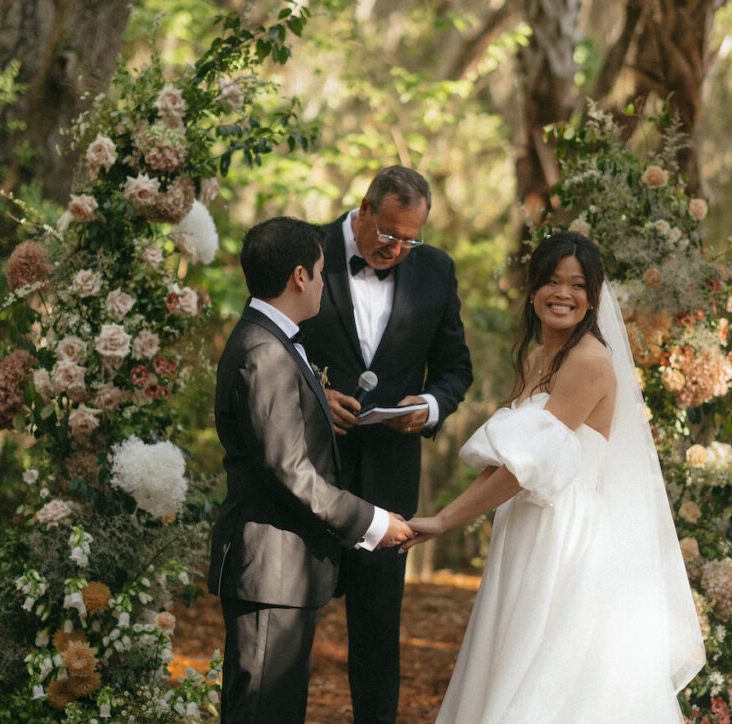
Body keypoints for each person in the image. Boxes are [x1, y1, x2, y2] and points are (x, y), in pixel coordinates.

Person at [401, 232, 705, 722]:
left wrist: (445, 521)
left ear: (592, 298)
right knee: (510, 659)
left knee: (549, 676)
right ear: (533, 289)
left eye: (577, 285)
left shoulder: (587, 361)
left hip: (565, 537)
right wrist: (445, 515)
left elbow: (527, 470)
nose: (563, 294)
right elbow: (511, 462)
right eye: (552, 281)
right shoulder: (536, 355)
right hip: (527, 527)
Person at [207, 217, 413, 724]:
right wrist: (372, 522)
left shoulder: (270, 341)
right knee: (262, 713)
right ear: (300, 276)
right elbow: (290, 470)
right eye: (322, 272)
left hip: (283, 570)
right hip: (270, 567)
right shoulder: (265, 352)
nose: (324, 282)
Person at [300, 166, 473, 722]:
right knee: (289, 627)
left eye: (410, 238)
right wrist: (314, 392)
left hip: (388, 484)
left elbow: (454, 370)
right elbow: (268, 341)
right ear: (365, 208)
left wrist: (429, 408)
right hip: (307, 475)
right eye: (388, 233)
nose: (397, 248)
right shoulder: (306, 248)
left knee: (377, 636)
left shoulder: (437, 270)